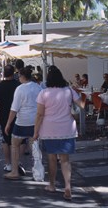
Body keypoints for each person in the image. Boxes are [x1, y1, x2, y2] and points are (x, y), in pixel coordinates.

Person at [33, 65, 84, 201]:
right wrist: (77, 90)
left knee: (51, 159)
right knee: (65, 160)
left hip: (49, 130)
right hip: (67, 129)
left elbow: (39, 114)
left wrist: (35, 132)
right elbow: (82, 105)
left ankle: (52, 185)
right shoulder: (69, 91)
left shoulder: (43, 93)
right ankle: (67, 187)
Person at [4, 68, 42, 180]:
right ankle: (38, 171)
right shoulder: (38, 87)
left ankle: (14, 171)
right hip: (35, 120)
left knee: (15, 144)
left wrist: (8, 123)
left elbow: (14, 108)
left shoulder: (20, 89)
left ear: (22, 76)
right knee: (34, 146)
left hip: (22, 121)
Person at [0, 65, 20, 172]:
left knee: (6, 141)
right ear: (13, 73)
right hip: (18, 116)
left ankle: (8, 164)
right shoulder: (18, 86)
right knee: (18, 140)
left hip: (4, 116)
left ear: (4, 73)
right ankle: (17, 162)